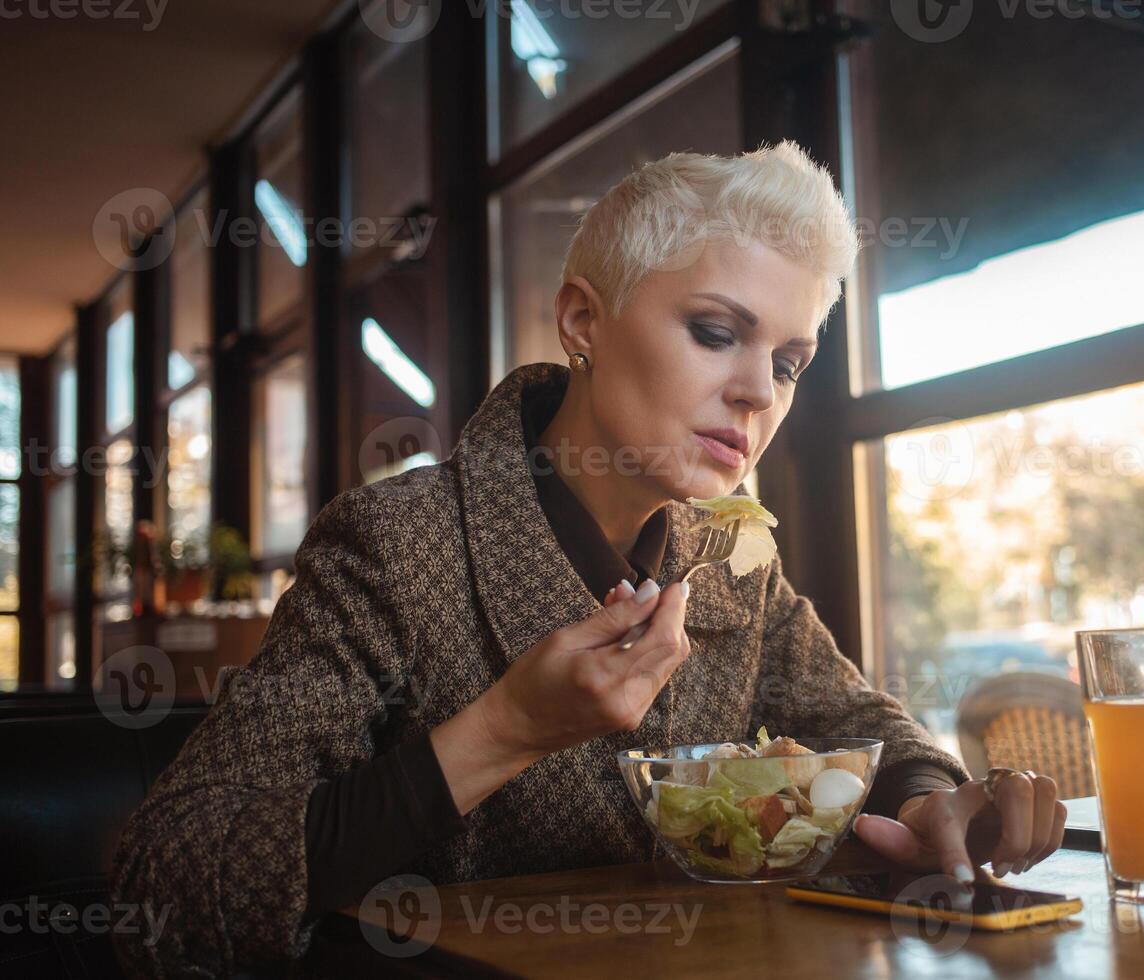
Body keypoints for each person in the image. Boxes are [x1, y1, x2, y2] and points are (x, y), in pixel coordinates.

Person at [110, 141, 1066, 976]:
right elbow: (169, 886)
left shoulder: (729, 556)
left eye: (787, 363)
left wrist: (936, 798)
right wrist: (505, 731)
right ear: (582, 324)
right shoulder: (393, 546)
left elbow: (859, 721)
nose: (754, 394)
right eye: (716, 332)